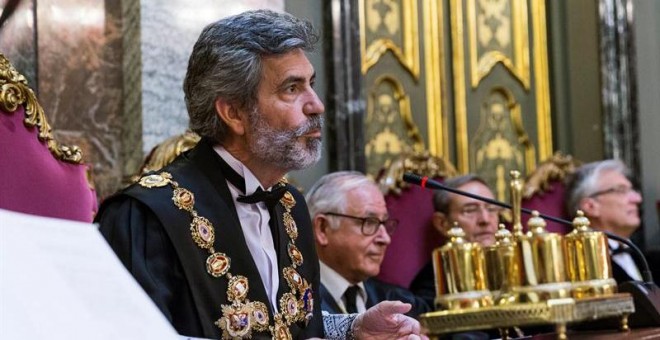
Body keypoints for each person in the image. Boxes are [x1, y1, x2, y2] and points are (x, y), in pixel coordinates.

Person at [95, 9, 424, 340]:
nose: (316, 105)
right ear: (233, 113)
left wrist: (354, 330)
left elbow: (285, 325)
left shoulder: (290, 205)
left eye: (310, 84)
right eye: (291, 89)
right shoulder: (146, 216)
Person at [305, 171, 431, 317]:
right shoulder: (294, 303)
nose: (385, 239)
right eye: (369, 222)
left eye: (384, 223)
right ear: (322, 229)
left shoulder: (398, 301)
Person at [409, 174, 500, 308]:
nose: (485, 219)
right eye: (470, 210)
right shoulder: (432, 284)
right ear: (443, 223)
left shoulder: (514, 265)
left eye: (491, 209)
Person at [565, 159, 644, 283]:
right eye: (621, 190)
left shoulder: (646, 257)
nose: (637, 199)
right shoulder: (578, 265)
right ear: (590, 206)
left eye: (632, 190)